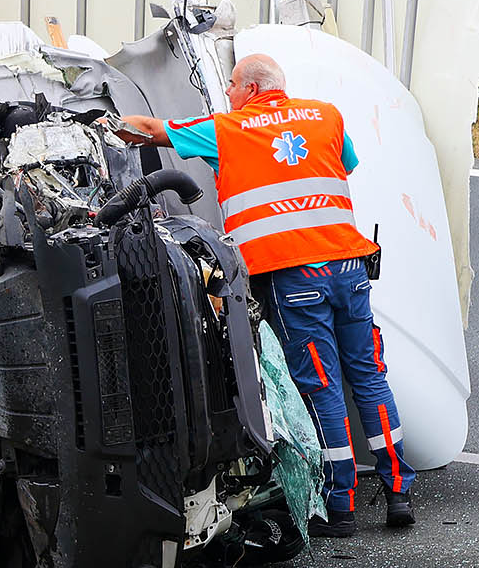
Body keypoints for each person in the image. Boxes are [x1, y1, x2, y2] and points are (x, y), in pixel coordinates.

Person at [118, 53, 415, 536]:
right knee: (368, 374)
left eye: (233, 87)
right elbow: (345, 167)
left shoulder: (228, 128)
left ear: (251, 90)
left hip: (296, 277)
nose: (229, 95)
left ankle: (340, 506)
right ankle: (398, 490)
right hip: (351, 266)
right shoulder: (326, 115)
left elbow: (150, 129)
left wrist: (104, 124)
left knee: (321, 387)